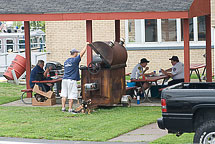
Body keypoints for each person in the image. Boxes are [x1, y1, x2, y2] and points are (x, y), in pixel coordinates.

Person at [61, 43, 88, 113]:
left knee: (64, 94)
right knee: (71, 95)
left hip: (64, 80)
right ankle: (70, 109)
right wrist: (86, 46)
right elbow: (82, 54)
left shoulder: (66, 61)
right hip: (71, 80)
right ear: (75, 53)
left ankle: (63, 108)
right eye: (77, 53)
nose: (77, 54)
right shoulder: (75, 60)